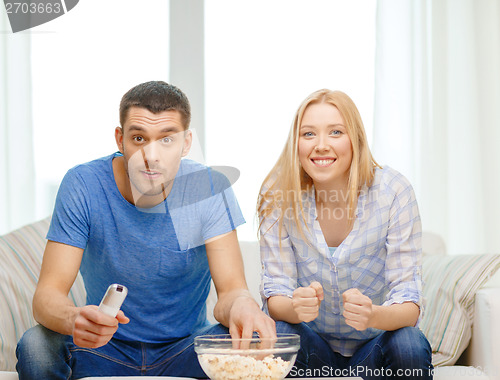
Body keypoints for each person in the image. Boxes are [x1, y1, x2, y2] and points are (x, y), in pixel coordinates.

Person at [16, 81, 276, 379]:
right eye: (139, 138)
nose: (151, 156)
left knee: (258, 336)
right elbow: (47, 296)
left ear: (186, 143)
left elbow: (231, 290)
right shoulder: (83, 184)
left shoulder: (209, 188)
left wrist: (243, 305)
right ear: (120, 138)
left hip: (185, 349)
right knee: (36, 344)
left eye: (166, 140)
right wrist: (74, 318)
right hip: (102, 348)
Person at [257, 89, 433, 379]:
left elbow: (409, 304)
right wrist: (295, 308)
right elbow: (276, 296)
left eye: (336, 132)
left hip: (372, 346)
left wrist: (373, 315)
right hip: (312, 349)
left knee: (409, 345)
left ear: (356, 140)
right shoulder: (277, 196)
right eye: (309, 134)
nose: (321, 146)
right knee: (278, 333)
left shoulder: (393, 192)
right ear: (296, 143)